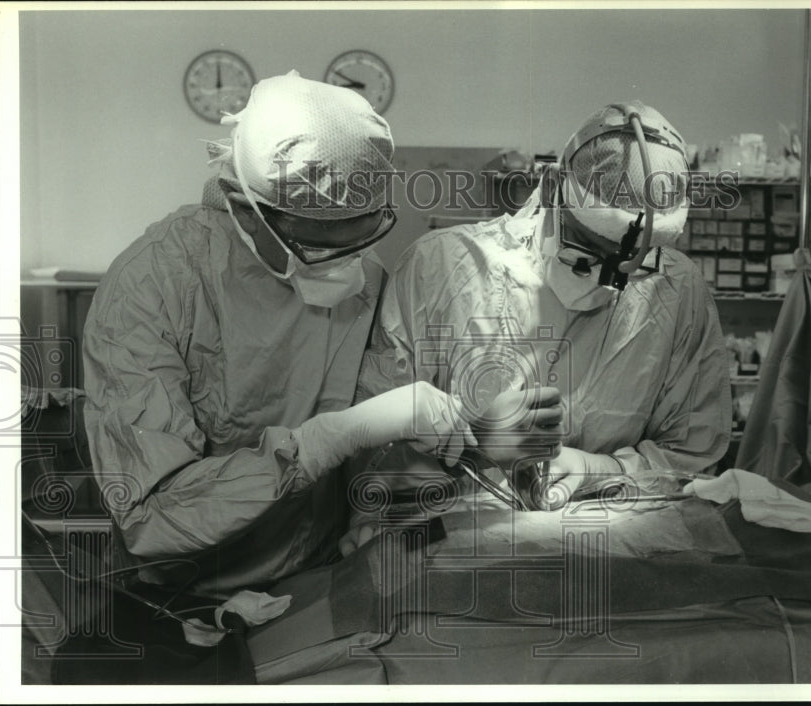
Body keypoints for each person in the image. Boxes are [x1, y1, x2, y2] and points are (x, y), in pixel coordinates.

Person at [82, 71, 475, 599]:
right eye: (320, 245)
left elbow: (377, 435)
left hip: (321, 572)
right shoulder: (153, 283)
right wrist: (334, 436)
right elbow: (152, 514)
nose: (347, 266)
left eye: (363, 236)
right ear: (243, 208)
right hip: (187, 591)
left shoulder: (366, 277)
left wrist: (382, 502)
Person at [343, 101, 731, 553]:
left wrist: (603, 471)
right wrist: (470, 441)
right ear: (551, 188)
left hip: (605, 552)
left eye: (633, 268)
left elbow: (692, 457)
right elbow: (365, 451)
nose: (608, 282)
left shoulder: (677, 290)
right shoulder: (442, 268)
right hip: (453, 550)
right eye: (585, 255)